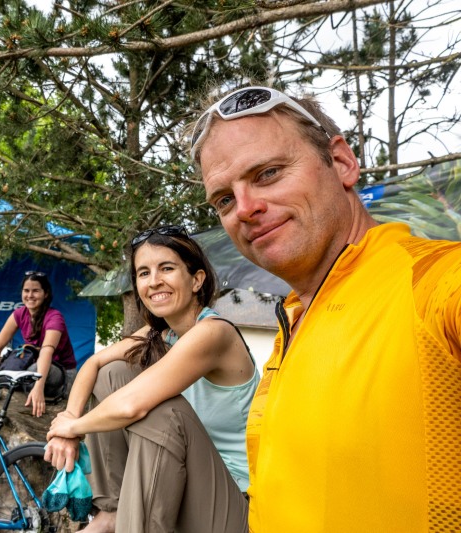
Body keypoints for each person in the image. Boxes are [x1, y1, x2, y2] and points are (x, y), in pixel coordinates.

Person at [188, 85, 461, 531]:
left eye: (269, 172)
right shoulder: (293, 319)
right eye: (223, 199)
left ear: (341, 162)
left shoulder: (431, 283)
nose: (245, 208)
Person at [44, 226, 259, 532]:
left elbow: (132, 405)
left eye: (167, 268)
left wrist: (74, 428)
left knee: (158, 409)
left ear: (196, 279)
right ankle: (111, 513)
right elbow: (93, 364)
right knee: (113, 373)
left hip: (236, 504)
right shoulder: (160, 333)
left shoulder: (214, 333)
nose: (154, 281)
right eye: (143, 273)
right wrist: (67, 420)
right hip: (187, 485)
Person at [0, 271, 77, 417]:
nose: (30, 295)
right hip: (37, 368)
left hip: (62, 374)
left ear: (46, 293)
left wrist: (38, 388)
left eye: (36, 291)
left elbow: (46, 352)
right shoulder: (19, 314)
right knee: (14, 365)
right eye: (26, 290)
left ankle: (33, 388)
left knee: (31, 371)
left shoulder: (55, 317)